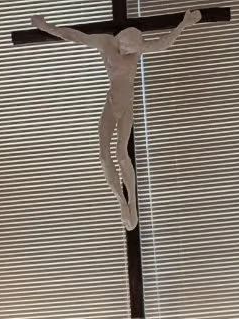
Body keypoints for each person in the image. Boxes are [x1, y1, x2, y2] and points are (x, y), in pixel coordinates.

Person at [30, 9, 201, 230]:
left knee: (122, 153)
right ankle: (121, 201)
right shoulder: (106, 42)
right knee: (103, 155)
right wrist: (45, 27)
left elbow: (162, 44)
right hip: (111, 102)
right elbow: (75, 36)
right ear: (119, 39)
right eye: (123, 48)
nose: (125, 52)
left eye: (130, 50)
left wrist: (183, 24)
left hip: (127, 102)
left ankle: (132, 202)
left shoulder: (137, 50)